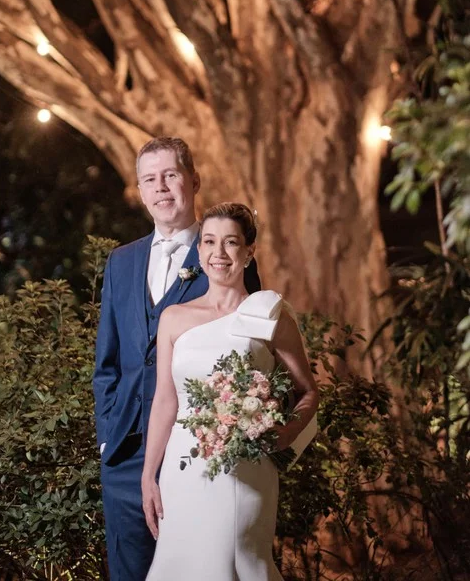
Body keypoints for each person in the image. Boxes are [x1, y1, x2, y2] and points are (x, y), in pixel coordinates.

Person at [93, 139, 261, 581]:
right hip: (126, 455)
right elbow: (106, 362)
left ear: (194, 181)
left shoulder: (222, 251)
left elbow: (250, 353)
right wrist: (107, 436)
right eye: (150, 179)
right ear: (140, 190)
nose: (161, 187)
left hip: (196, 453)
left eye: (171, 175)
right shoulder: (121, 262)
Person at [142, 203, 319, 581]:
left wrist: (286, 433)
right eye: (208, 241)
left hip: (245, 467)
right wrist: (148, 477)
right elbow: (165, 401)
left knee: (236, 559)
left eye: (231, 243)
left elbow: (308, 392)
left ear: (249, 252)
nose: (218, 253)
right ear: (199, 250)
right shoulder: (173, 317)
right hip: (182, 468)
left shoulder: (267, 315)